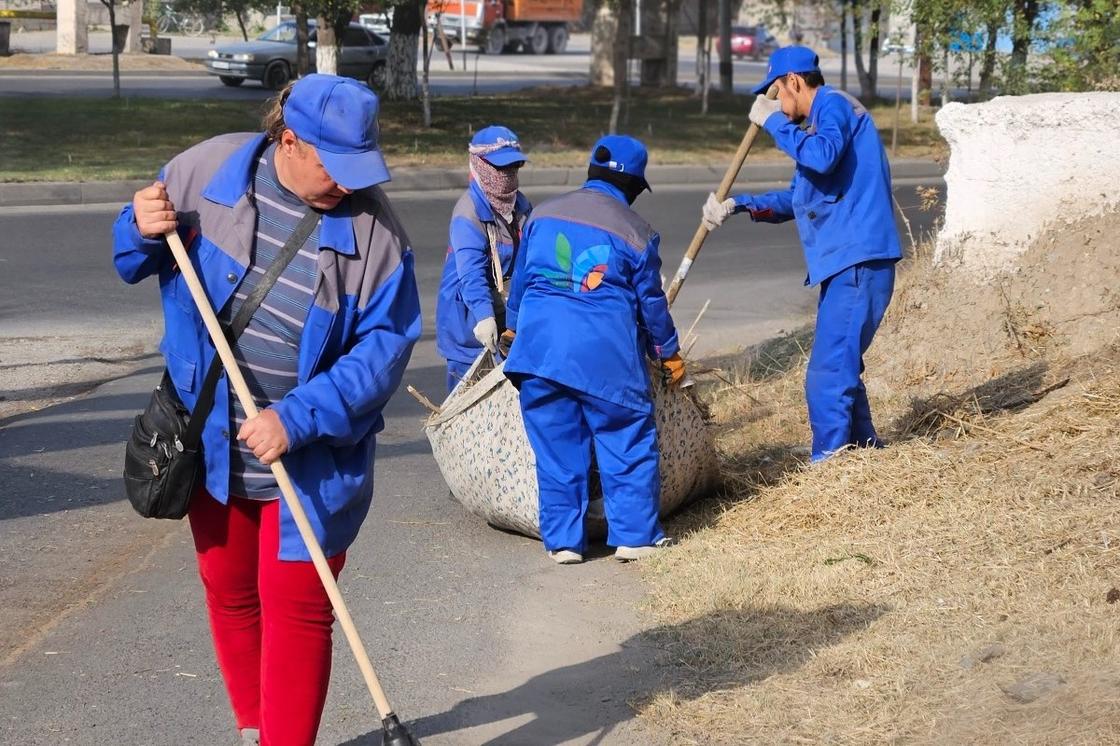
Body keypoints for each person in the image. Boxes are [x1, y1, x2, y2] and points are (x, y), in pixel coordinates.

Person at [111, 74, 422, 746]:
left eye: (359, 168)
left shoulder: (378, 239)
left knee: (302, 608)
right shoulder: (203, 173)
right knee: (227, 586)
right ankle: (256, 729)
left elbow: (382, 356)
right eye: (334, 167)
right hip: (209, 440)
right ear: (290, 140)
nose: (350, 184)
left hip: (310, 458)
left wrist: (297, 417)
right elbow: (130, 255)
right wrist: (138, 227)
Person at [701, 46, 902, 463]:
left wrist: (773, 121)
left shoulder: (834, 108)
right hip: (849, 262)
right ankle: (865, 451)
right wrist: (739, 205)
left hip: (858, 260)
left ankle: (829, 464)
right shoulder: (818, 126)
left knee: (828, 372)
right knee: (841, 361)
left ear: (794, 81)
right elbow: (798, 198)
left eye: (777, 93)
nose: (775, 103)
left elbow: (823, 159)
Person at [502, 135, 685, 565]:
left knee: (556, 450)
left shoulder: (541, 216)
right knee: (626, 440)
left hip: (539, 356)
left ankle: (564, 542)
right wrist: (668, 352)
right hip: (606, 362)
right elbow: (652, 307)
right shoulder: (637, 233)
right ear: (635, 186)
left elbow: (521, 284)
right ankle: (634, 537)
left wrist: (513, 328)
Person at [435, 125, 532, 392]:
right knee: (467, 403)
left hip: (507, 319)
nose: (507, 176)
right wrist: (483, 316)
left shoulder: (520, 206)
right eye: (500, 168)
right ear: (479, 165)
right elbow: (471, 274)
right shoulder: (469, 212)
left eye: (513, 168)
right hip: (469, 322)